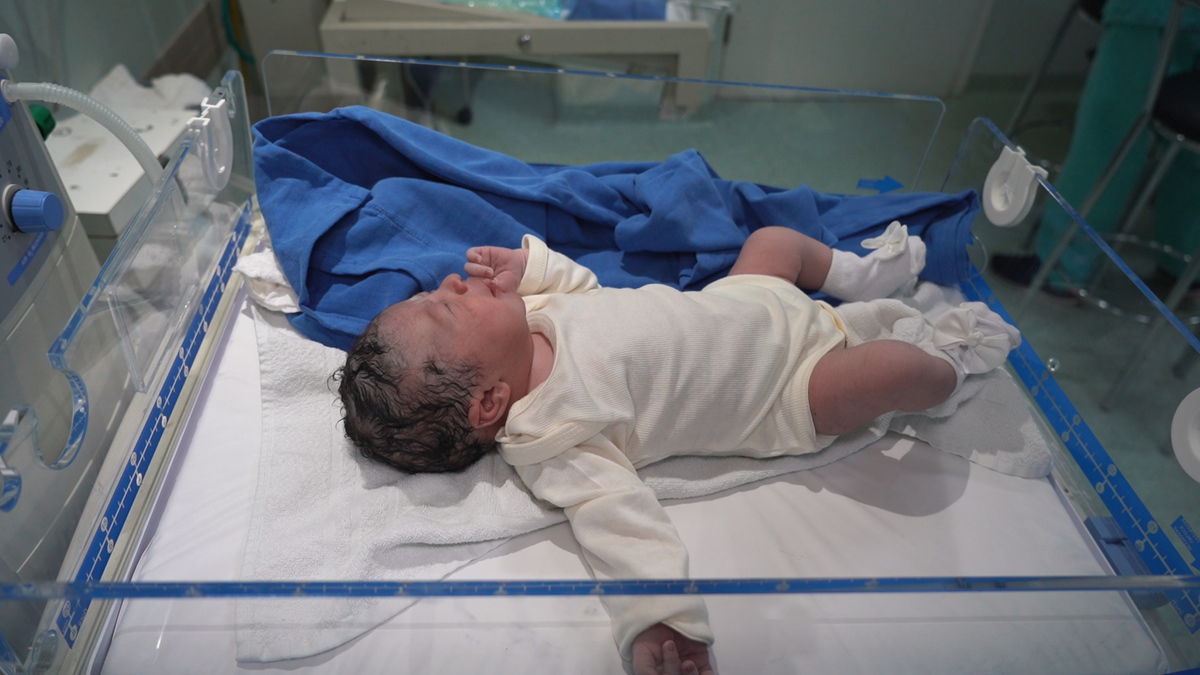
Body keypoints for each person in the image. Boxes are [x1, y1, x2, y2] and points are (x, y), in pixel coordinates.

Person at [335, 224, 1020, 675]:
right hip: (784, 385)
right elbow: (621, 523)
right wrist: (662, 625)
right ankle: (952, 363)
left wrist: (531, 265)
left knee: (772, 241)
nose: (452, 282)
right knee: (895, 371)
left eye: (434, 292)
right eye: (447, 307)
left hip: (743, 300)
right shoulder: (553, 433)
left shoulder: (535, 316)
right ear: (489, 403)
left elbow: (585, 289)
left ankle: (858, 274)